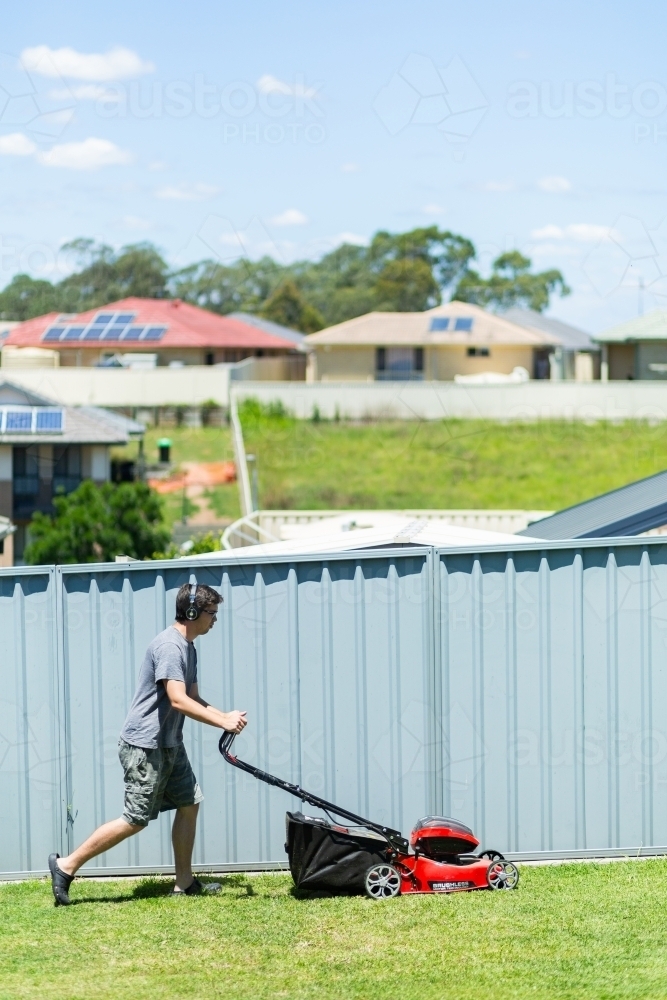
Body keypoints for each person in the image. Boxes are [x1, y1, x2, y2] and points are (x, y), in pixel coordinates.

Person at [48, 583, 247, 906]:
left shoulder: (189, 647)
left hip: (169, 743)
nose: (215, 620)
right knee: (135, 819)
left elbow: (193, 698)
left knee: (189, 802)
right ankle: (65, 865)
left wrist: (225, 716)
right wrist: (222, 722)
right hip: (145, 747)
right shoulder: (170, 647)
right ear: (193, 613)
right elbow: (178, 700)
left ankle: (184, 882)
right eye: (212, 614)